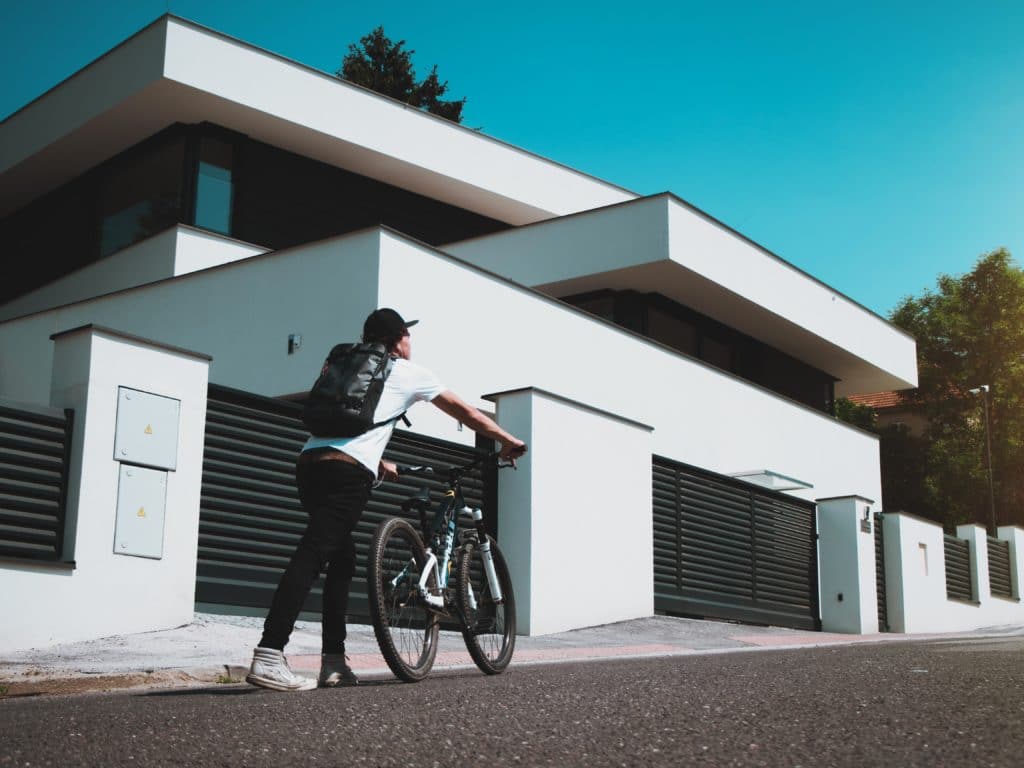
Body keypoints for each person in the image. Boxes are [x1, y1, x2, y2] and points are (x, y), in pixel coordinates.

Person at [246, 307, 528, 691]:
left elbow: (346, 426)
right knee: (312, 554)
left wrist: (378, 459)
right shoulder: (410, 372)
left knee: (341, 559)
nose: (411, 342)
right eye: (407, 336)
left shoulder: (352, 367)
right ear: (398, 340)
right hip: (347, 474)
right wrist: (507, 440)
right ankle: (269, 654)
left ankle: (334, 662)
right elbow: (463, 410)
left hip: (310, 464)